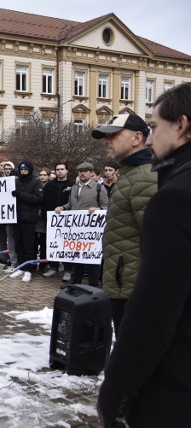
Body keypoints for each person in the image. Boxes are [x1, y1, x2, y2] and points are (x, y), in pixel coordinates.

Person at [97, 82, 191, 428]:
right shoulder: (143, 177)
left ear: (181, 125)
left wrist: (117, 392)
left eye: (153, 128)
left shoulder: (165, 187)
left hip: (144, 304)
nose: (151, 139)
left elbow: (158, 304)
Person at [91, 113, 157, 337]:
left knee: (136, 355)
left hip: (134, 290)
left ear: (137, 138)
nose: (107, 141)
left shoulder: (144, 178)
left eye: (114, 135)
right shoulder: (130, 175)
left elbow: (158, 241)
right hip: (123, 283)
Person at [55, 161, 108, 287]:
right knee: (76, 255)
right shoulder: (74, 187)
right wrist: (62, 208)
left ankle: (93, 284)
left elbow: (106, 207)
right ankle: (76, 282)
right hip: (76, 229)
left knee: (93, 256)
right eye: (80, 171)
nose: (82, 173)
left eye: (85, 171)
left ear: (91, 173)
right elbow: (71, 204)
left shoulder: (99, 188)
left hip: (92, 230)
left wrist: (98, 210)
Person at [8, 160, 43, 283]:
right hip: (17, 218)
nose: (23, 172)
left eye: (25, 170)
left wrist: (20, 194)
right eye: (21, 170)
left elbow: (37, 199)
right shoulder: (16, 182)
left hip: (29, 219)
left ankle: (29, 269)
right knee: (19, 245)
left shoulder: (36, 181)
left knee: (29, 246)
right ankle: (21, 266)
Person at [41, 163, 75, 280]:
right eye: (57, 169)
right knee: (53, 243)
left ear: (67, 170)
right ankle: (53, 267)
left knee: (66, 244)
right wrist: (46, 215)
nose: (60, 171)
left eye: (62, 169)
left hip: (67, 220)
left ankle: (67, 269)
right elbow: (43, 202)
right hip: (52, 220)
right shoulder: (49, 186)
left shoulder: (72, 185)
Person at [34, 167, 51, 273]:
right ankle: (34, 263)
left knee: (45, 244)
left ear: (48, 176)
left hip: (46, 219)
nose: (42, 177)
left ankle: (43, 265)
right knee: (34, 243)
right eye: (40, 174)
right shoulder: (36, 186)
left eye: (44, 175)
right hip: (36, 219)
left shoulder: (50, 187)